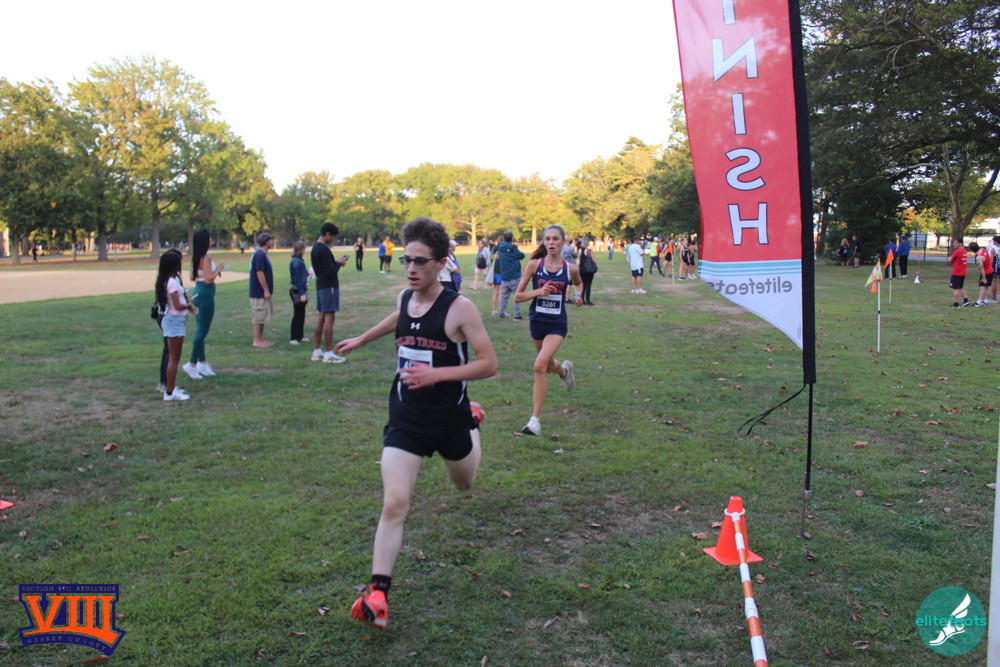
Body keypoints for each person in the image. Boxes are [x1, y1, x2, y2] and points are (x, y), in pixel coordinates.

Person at [335, 216, 497, 629]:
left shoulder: (460, 309)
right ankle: (378, 593)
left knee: (464, 484)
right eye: (406, 259)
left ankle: (473, 420)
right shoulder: (405, 297)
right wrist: (361, 339)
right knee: (394, 503)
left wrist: (437, 375)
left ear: (441, 264)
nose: (410, 268)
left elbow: (489, 364)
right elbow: (400, 319)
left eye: (420, 262)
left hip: (449, 420)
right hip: (406, 418)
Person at [514, 224, 584, 436]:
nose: (551, 242)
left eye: (555, 239)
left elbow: (579, 284)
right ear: (544, 241)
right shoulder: (534, 265)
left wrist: (578, 295)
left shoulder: (571, 268)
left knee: (539, 366)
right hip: (537, 322)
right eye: (548, 239)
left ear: (563, 242)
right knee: (548, 363)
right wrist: (538, 291)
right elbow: (518, 296)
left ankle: (534, 421)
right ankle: (563, 371)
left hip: (556, 324)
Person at [155, 248, 198, 401]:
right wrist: (189, 305)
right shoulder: (172, 282)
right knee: (173, 358)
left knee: (173, 357)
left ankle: (170, 387)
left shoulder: (168, 280)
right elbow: (178, 306)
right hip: (174, 321)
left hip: (174, 320)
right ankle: (170, 392)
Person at [184, 228, 227, 380]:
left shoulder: (196, 257)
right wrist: (219, 268)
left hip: (198, 292)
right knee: (202, 331)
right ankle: (191, 363)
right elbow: (209, 279)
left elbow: (192, 276)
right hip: (205, 294)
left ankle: (202, 362)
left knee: (200, 329)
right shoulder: (206, 258)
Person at [310, 222, 350, 363]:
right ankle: (328, 353)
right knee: (329, 318)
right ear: (327, 234)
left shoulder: (315, 248)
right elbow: (331, 271)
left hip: (321, 285)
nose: (333, 239)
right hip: (329, 287)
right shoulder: (324, 249)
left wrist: (336, 262)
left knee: (321, 317)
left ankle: (317, 350)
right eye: (332, 236)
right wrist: (340, 263)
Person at [250, 232, 275, 348]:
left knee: (262, 316)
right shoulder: (259, 255)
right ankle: (257, 341)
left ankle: (261, 339)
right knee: (258, 316)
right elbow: (259, 273)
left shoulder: (262, 254)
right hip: (258, 292)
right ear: (267, 242)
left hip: (262, 292)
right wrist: (266, 290)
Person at [497, 231, 525, 319]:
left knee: (504, 296)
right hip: (514, 275)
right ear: (512, 238)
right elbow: (521, 255)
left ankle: (501, 312)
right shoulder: (512, 248)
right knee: (517, 295)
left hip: (504, 276)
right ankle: (516, 314)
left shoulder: (500, 247)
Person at [289, 241, 309, 344]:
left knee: (301, 314)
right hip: (297, 290)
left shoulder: (299, 261)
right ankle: (294, 338)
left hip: (301, 289)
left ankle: (300, 336)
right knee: (297, 314)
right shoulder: (296, 262)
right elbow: (296, 278)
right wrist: (301, 293)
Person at [947, 238, 970, 308]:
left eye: (956, 243)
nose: (954, 244)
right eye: (954, 243)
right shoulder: (965, 251)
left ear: (961, 244)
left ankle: (956, 303)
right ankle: (966, 300)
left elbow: (950, 260)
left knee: (955, 288)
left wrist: (949, 258)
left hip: (957, 272)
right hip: (963, 272)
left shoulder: (957, 251)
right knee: (960, 287)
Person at [972, 241, 994, 307]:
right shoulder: (983, 250)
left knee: (982, 286)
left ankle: (979, 301)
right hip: (990, 270)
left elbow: (982, 268)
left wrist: (984, 278)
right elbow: (988, 258)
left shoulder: (979, 257)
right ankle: (986, 300)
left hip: (986, 272)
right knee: (988, 286)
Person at [578, 237, 598, 305]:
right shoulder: (590, 251)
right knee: (588, 285)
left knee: (583, 284)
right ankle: (588, 300)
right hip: (589, 270)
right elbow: (594, 260)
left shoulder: (580, 250)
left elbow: (578, 261)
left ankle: (582, 299)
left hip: (582, 270)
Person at [489, 236, 503, 316]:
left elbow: (492, 259)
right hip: (500, 273)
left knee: (495, 292)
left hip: (494, 273)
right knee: (501, 292)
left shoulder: (493, 251)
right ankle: (501, 310)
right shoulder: (501, 252)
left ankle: (494, 310)